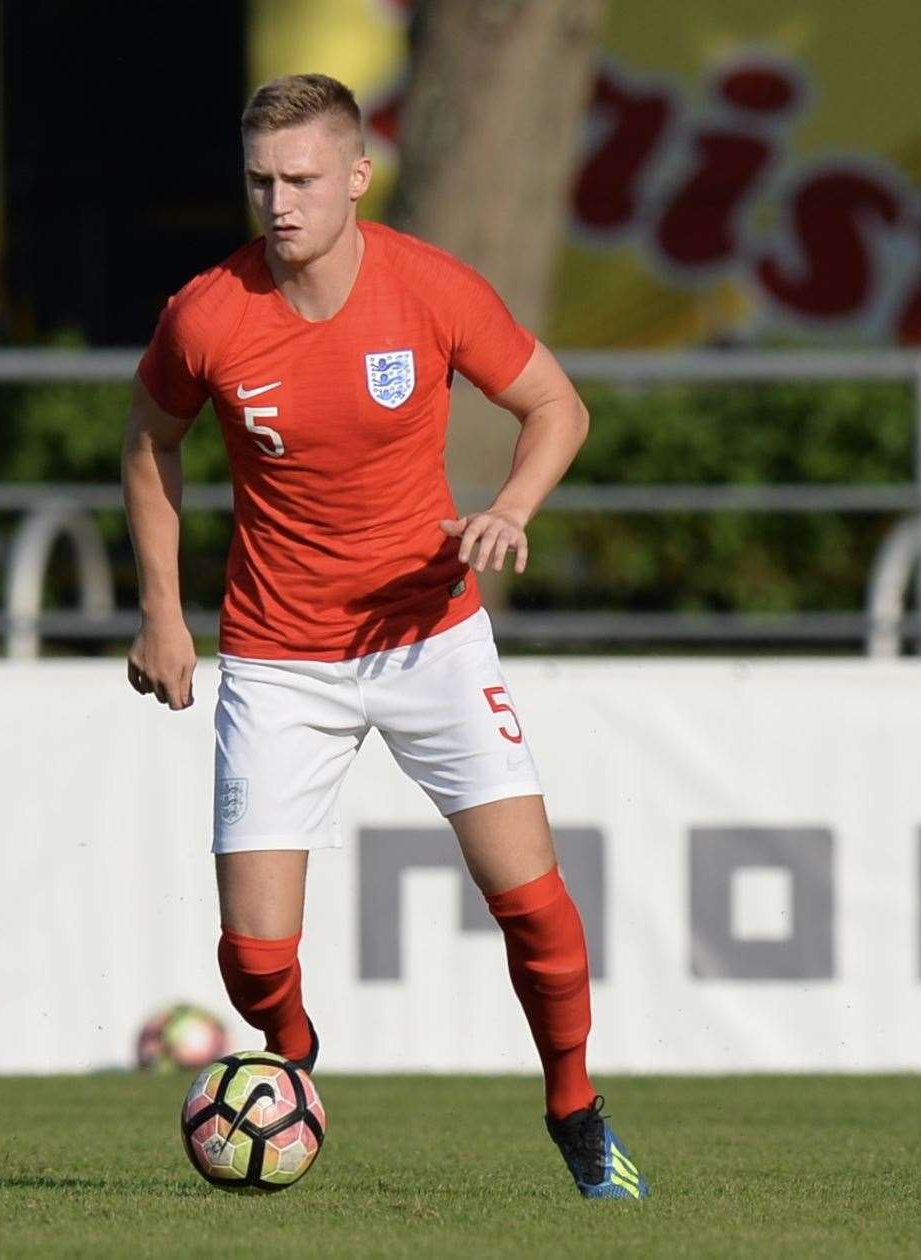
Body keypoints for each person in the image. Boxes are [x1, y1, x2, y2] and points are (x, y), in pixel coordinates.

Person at [122, 72, 647, 1202]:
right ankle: (293, 1060)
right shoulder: (205, 312)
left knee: (533, 906)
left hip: (430, 639)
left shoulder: (429, 290)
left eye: (303, 179)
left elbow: (558, 405)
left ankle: (573, 1108)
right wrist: (161, 612)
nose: (279, 203)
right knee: (252, 956)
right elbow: (149, 442)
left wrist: (508, 508)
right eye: (260, 180)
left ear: (357, 176)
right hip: (274, 656)